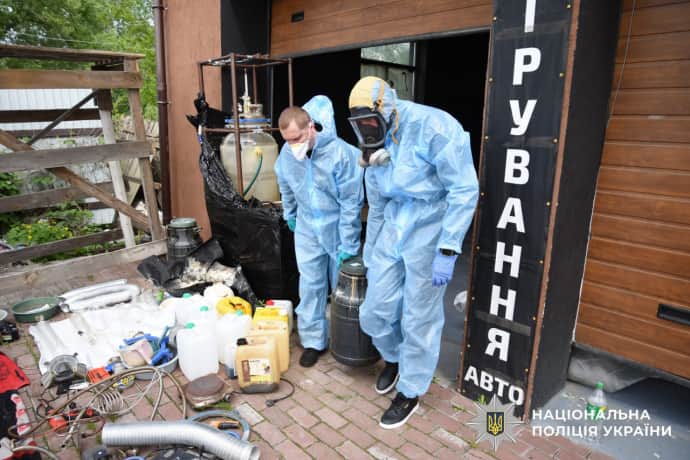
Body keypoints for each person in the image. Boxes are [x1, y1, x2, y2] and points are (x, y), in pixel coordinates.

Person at [348, 76, 478, 429]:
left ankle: (410, 390)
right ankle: (394, 358)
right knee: (374, 312)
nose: (366, 130)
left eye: (370, 122)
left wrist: (448, 248)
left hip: (431, 226)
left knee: (419, 317)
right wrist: (371, 252)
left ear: (386, 108)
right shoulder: (372, 142)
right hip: (393, 226)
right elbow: (377, 205)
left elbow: (464, 189)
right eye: (359, 125)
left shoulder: (435, 127)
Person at [275, 95, 364, 367]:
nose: (293, 145)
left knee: (342, 288)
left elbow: (351, 203)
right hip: (306, 228)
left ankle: (345, 340)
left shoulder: (343, 154)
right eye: (288, 140)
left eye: (297, 138)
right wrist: (290, 214)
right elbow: (285, 185)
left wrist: (349, 243)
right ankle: (314, 341)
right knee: (311, 285)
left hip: (337, 229)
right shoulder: (287, 155)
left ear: (311, 127)